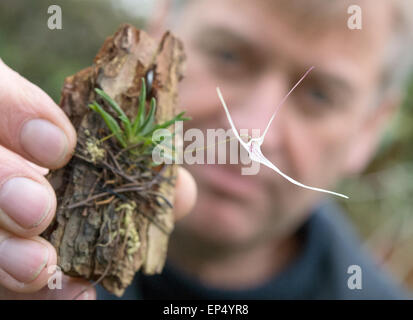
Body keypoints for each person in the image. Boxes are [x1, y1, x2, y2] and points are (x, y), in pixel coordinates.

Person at [0, 0, 412, 299]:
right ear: (159, 36)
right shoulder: (33, 218)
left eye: (319, 96)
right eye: (229, 55)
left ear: (369, 131)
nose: (252, 134)